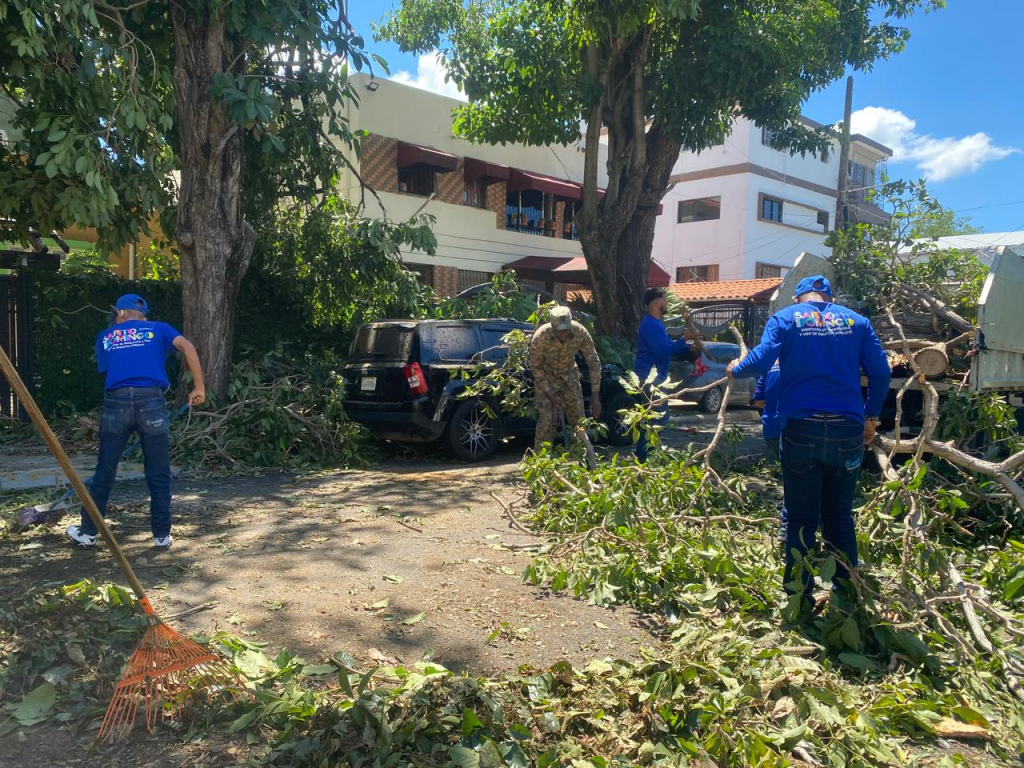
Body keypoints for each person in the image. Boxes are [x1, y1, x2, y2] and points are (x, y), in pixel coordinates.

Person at [727, 275, 890, 612]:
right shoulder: (857, 321)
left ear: (797, 298)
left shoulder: (786, 318)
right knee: (839, 515)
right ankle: (847, 597)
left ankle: (799, 598)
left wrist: (735, 369)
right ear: (830, 299)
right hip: (847, 431)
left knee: (801, 518)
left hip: (802, 431)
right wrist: (871, 415)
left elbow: (761, 361)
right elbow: (881, 371)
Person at [66, 294, 206, 551]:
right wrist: (198, 387)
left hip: (116, 403)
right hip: (151, 402)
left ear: (119, 314)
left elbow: (108, 369)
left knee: (105, 468)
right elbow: (187, 347)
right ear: (144, 316)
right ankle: (161, 536)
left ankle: (87, 532)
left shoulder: (106, 336)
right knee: (158, 470)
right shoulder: (160, 329)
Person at [634, 287, 701, 462]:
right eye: (665, 300)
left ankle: (645, 458)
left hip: (655, 377)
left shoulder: (656, 324)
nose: (667, 303)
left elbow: (667, 345)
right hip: (651, 379)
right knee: (657, 420)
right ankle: (644, 459)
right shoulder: (650, 325)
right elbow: (662, 351)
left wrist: (688, 347)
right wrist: (684, 338)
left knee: (653, 420)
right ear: (657, 302)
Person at [529, 305, 601, 452]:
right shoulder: (541, 336)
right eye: (559, 331)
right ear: (552, 326)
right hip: (546, 381)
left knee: (579, 423)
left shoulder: (580, 332)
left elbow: (594, 362)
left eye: (565, 330)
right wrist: (550, 394)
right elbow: (535, 367)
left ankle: (583, 458)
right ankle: (541, 461)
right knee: (547, 422)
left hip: (569, 379)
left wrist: (595, 396)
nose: (563, 334)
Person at [753, 359, 781, 459]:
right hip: (794, 428)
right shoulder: (802, 364)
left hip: (771, 428)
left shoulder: (769, 366)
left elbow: (758, 402)